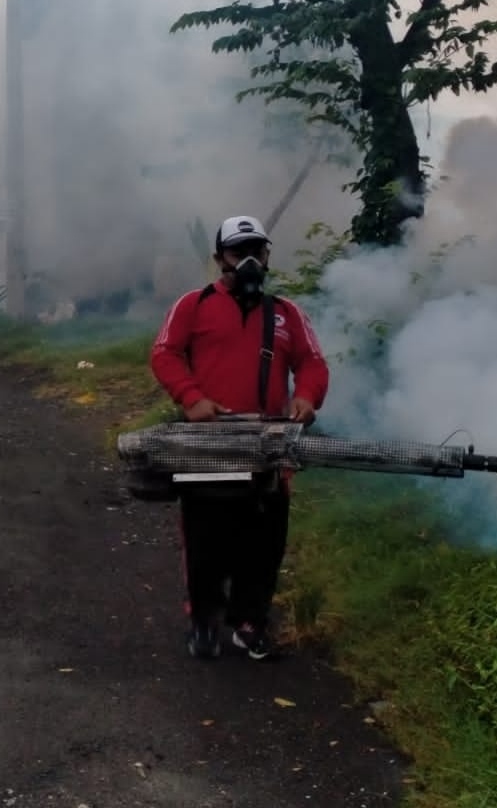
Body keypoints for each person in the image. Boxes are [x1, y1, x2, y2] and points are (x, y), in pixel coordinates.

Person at [150, 215, 330, 661]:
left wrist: (307, 398)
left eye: (257, 250)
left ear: (267, 256)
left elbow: (312, 363)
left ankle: (249, 622)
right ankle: (204, 622)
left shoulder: (287, 314)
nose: (249, 260)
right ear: (220, 259)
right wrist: (192, 399)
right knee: (205, 539)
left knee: (264, 542)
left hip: (269, 448)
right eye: (237, 251)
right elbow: (165, 354)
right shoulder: (192, 306)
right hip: (207, 448)